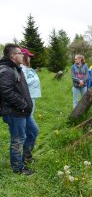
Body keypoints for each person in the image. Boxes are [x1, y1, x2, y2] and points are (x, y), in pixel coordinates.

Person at [0, 44, 34, 175]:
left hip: (23, 111)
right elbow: (6, 92)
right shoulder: (6, 70)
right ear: (13, 56)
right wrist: (24, 104)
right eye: (20, 53)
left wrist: (26, 106)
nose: (23, 55)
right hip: (14, 111)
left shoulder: (15, 68)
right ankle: (18, 168)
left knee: (32, 132)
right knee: (18, 138)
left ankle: (26, 157)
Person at [20, 48, 40, 164]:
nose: (30, 58)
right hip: (26, 100)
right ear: (24, 57)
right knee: (31, 130)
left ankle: (26, 156)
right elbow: (24, 83)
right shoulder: (22, 68)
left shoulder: (26, 68)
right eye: (29, 57)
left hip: (30, 98)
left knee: (30, 129)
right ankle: (25, 156)